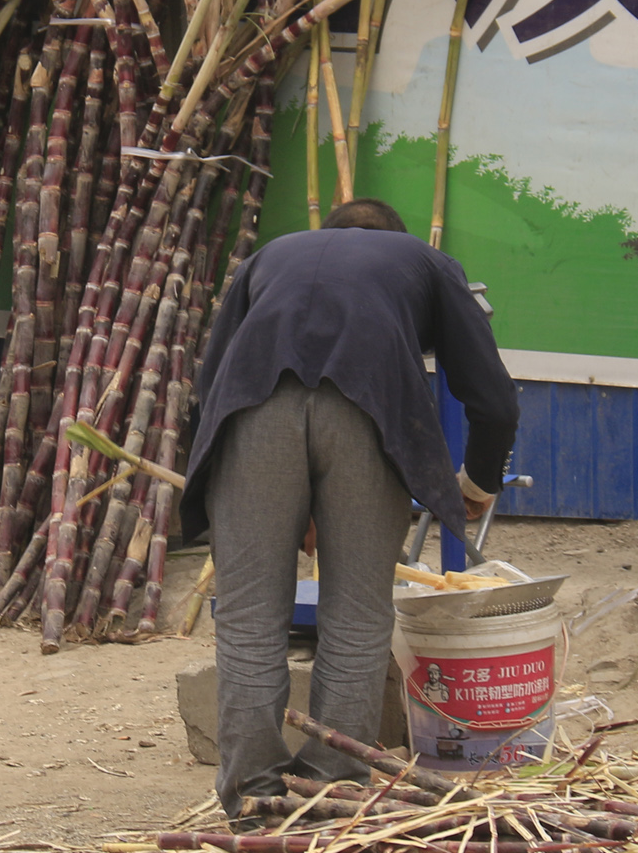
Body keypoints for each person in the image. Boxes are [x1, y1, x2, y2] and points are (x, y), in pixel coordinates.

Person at [180, 197, 521, 818]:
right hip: (371, 414)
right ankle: (332, 790)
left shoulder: (269, 257)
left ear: (327, 233)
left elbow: (211, 382)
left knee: (250, 617)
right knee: (358, 617)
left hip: (252, 415)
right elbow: (494, 400)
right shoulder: (425, 261)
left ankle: (253, 799)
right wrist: (476, 483)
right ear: (397, 239)